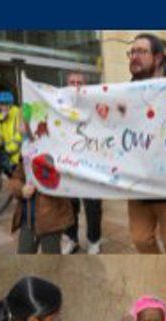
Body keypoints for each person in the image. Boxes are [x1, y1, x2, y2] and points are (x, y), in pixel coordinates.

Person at [124, 33, 166, 254]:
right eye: (132, 52)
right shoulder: (125, 93)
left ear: (158, 58)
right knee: (140, 240)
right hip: (139, 184)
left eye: (141, 51)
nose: (134, 56)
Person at [61, 72, 103, 255]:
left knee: (93, 207)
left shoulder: (94, 106)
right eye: (72, 82)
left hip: (92, 166)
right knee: (70, 207)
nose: (76, 85)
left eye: (79, 82)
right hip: (68, 165)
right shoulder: (58, 106)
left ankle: (94, 240)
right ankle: (72, 239)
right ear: (66, 84)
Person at [6, 149, 73, 254]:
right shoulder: (28, 155)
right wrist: (22, 189)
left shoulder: (61, 155)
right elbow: (15, 180)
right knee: (24, 257)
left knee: (51, 261)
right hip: (28, 221)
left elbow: (69, 185)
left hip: (51, 223)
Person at [0, 90, 23, 175]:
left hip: (18, 157)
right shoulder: (2, 117)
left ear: (8, 104)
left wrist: (7, 149)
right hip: (6, 156)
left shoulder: (18, 114)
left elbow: (19, 136)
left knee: (14, 180)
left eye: (0, 104)